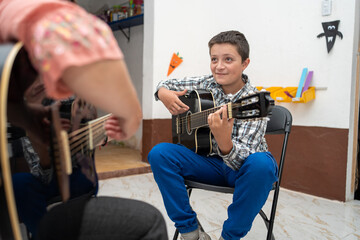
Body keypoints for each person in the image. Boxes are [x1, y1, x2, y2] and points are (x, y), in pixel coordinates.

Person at [0, 0, 168, 239]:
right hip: (28, 184)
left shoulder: (65, 93)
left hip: (67, 179)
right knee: (20, 184)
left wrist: (94, 130)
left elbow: (88, 133)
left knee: (84, 174)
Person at [148, 30, 278, 240]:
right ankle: (190, 231)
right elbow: (165, 85)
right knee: (159, 153)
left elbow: (245, 159)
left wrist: (224, 141)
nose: (219, 66)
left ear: (245, 63)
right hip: (208, 163)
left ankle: (229, 236)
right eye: (214, 59)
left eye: (228, 59)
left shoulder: (253, 101)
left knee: (263, 164)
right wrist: (163, 93)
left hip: (242, 170)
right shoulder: (207, 83)